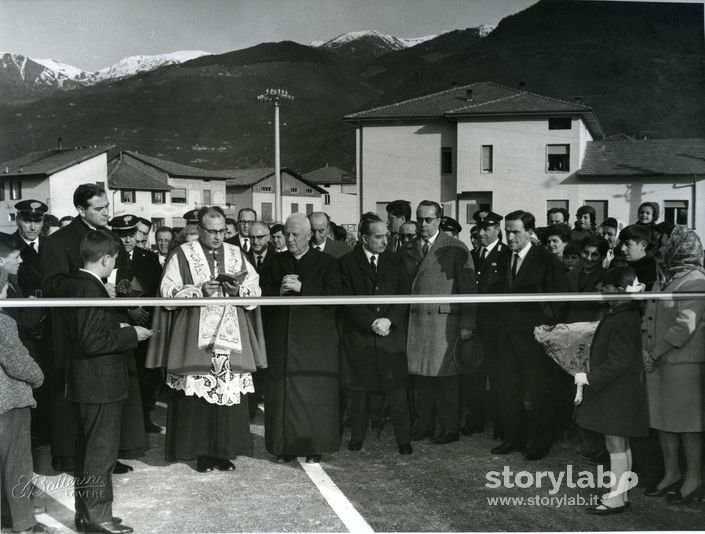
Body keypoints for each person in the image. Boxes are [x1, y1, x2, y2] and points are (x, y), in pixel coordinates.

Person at [152, 207, 266, 472]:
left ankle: (222, 451)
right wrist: (198, 290)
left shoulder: (237, 254)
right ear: (200, 229)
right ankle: (200, 451)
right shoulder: (182, 253)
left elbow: (256, 289)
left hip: (229, 331)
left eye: (221, 231)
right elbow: (166, 292)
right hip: (196, 331)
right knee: (197, 391)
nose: (217, 237)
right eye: (211, 231)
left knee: (226, 389)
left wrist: (238, 290)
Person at [41, 183, 144, 474]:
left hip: (110, 322)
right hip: (73, 329)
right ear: (80, 209)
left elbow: (125, 274)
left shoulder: (111, 237)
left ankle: (109, 454)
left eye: (107, 207)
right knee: (77, 393)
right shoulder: (58, 241)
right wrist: (93, 286)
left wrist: (120, 289)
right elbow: (51, 285)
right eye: (99, 209)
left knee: (109, 390)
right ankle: (72, 457)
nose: (106, 213)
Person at [64, 230, 152, 534]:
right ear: (106, 258)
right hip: (100, 383)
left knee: (88, 451)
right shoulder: (91, 289)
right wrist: (131, 335)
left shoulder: (76, 284)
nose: (114, 264)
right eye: (114, 260)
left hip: (85, 382)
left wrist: (116, 324)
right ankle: (98, 519)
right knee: (100, 454)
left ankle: (86, 514)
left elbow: (86, 331)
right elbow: (91, 340)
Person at [261, 213, 342, 463]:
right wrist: (279, 291)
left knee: (314, 395)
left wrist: (303, 289)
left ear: (309, 236)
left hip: (314, 343)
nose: (290, 238)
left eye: (295, 234)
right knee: (282, 395)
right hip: (282, 340)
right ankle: (284, 447)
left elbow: (336, 297)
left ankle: (315, 446)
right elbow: (261, 295)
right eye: (287, 234)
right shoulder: (275, 261)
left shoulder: (328, 262)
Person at [494, 210, 569, 460]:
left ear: (529, 232)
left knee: (539, 392)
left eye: (516, 232)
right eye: (508, 232)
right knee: (509, 390)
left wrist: (544, 328)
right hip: (506, 336)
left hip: (534, 339)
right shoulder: (504, 258)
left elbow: (559, 300)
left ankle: (540, 442)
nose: (511, 237)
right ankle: (513, 438)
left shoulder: (546, 260)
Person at [400, 200, 476, 445]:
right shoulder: (408, 248)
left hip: (444, 323)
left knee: (446, 380)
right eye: (420, 219)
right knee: (421, 379)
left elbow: (469, 290)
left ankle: (450, 428)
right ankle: (425, 426)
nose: (424, 224)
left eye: (429, 219)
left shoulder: (455, 247)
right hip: (417, 320)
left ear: (439, 220)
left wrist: (467, 324)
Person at [574, 266, 648, 514]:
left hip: (617, 390)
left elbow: (620, 361)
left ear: (618, 290)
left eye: (604, 287)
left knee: (615, 443)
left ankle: (616, 498)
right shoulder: (622, 313)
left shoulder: (623, 317)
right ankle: (621, 494)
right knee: (619, 443)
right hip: (619, 389)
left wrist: (590, 378)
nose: (600, 290)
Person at [338, 214, 413, 455]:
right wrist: (371, 322)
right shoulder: (347, 263)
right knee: (359, 392)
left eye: (387, 236)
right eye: (378, 237)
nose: (384, 241)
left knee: (398, 391)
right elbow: (347, 301)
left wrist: (389, 320)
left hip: (390, 336)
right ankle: (357, 437)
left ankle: (404, 440)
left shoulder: (396, 261)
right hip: (361, 336)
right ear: (363, 238)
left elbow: (405, 295)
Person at [642, 225, 705, 504]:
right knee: (663, 420)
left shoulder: (696, 280)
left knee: (687, 424)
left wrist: (655, 352)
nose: (663, 247)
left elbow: (685, 325)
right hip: (658, 360)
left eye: (668, 243)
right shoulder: (664, 278)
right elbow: (649, 317)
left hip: (683, 364)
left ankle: (693, 479)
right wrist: (646, 351)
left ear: (682, 246)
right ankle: (671, 474)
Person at [0, 269, 49, 534]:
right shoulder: (4, 322)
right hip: (10, 401)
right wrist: (38, 377)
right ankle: (24, 523)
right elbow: (18, 363)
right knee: (17, 463)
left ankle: (5, 515)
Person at [109, 215, 163, 434]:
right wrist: (129, 310)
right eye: (121, 235)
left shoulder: (148, 258)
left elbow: (156, 290)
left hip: (144, 322)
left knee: (144, 374)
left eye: (131, 234)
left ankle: (145, 416)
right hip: (119, 322)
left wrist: (142, 313)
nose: (127, 240)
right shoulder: (108, 256)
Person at [467, 211, 510, 439]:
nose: (482, 233)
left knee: (497, 376)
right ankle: (475, 420)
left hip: (496, 326)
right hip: (476, 324)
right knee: (474, 373)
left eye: (488, 229)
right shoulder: (472, 255)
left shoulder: (506, 255)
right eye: (480, 229)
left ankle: (499, 424)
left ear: (497, 230)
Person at [618, 225, 657, 290]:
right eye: (621, 244)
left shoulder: (652, 272)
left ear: (643, 245)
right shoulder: (621, 263)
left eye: (627, 244)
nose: (622, 249)